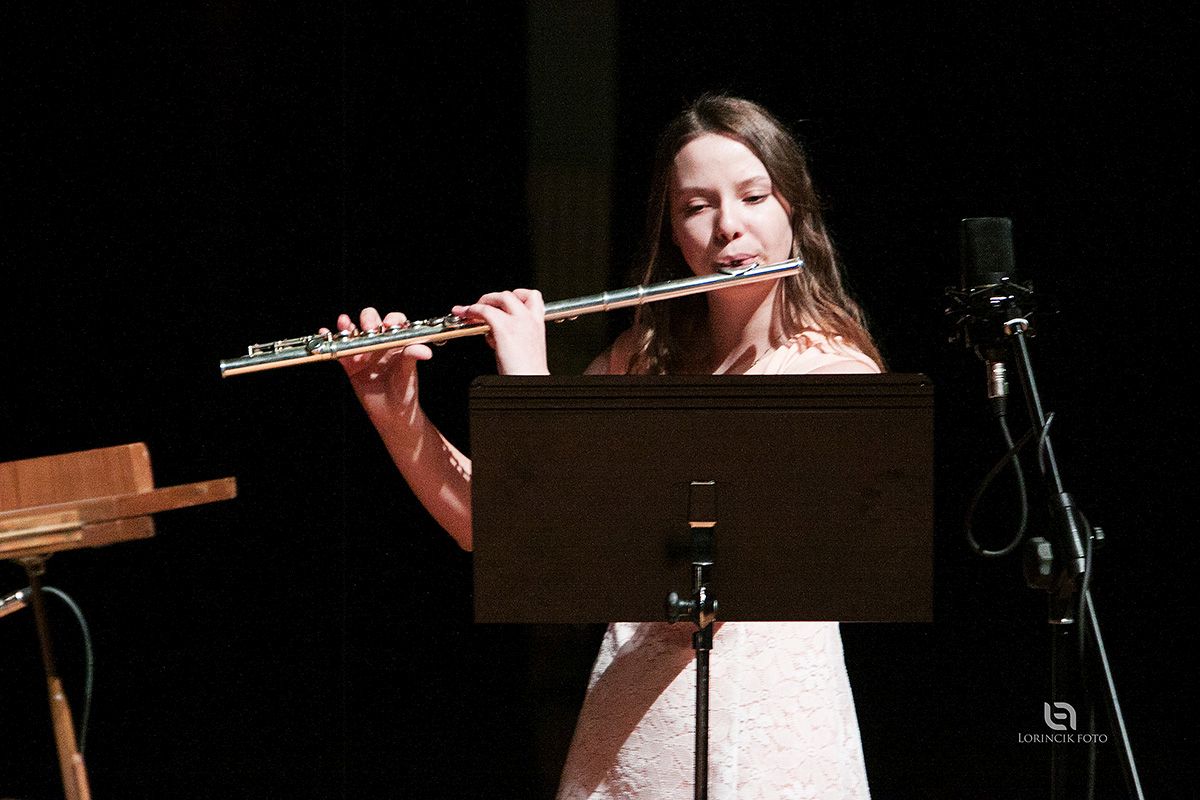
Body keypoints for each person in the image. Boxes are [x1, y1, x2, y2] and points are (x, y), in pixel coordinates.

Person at [334, 94, 880, 799]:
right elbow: (510, 531)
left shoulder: (833, 376)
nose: (728, 226)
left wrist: (532, 389)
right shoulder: (638, 361)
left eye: (753, 196)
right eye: (697, 206)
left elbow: (708, 572)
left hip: (767, 733)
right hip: (632, 734)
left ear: (793, 209)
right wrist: (395, 410)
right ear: (674, 233)